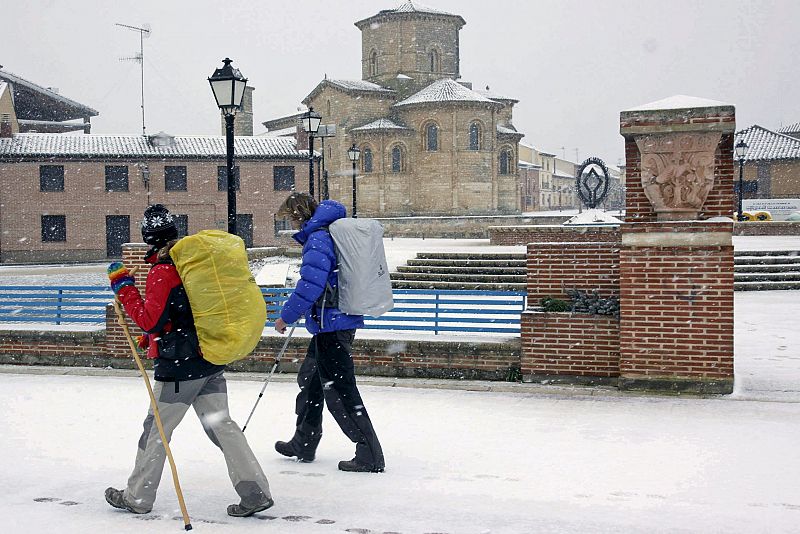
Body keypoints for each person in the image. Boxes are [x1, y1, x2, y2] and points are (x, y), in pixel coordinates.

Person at [105, 204, 273, 517]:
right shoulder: (189, 265)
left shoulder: (162, 272)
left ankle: (137, 497)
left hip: (181, 369)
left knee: (156, 431)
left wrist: (124, 287)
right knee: (222, 426)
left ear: (148, 239)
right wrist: (157, 335)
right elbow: (183, 315)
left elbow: (150, 320)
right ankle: (255, 492)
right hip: (209, 359)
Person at [274, 192, 385, 473]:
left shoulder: (318, 239)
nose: (291, 224)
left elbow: (311, 283)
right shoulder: (325, 234)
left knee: (340, 389)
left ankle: (369, 453)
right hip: (333, 321)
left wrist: (286, 316)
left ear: (298, 215)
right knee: (311, 380)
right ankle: (304, 442)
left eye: (290, 218)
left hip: (332, 325)